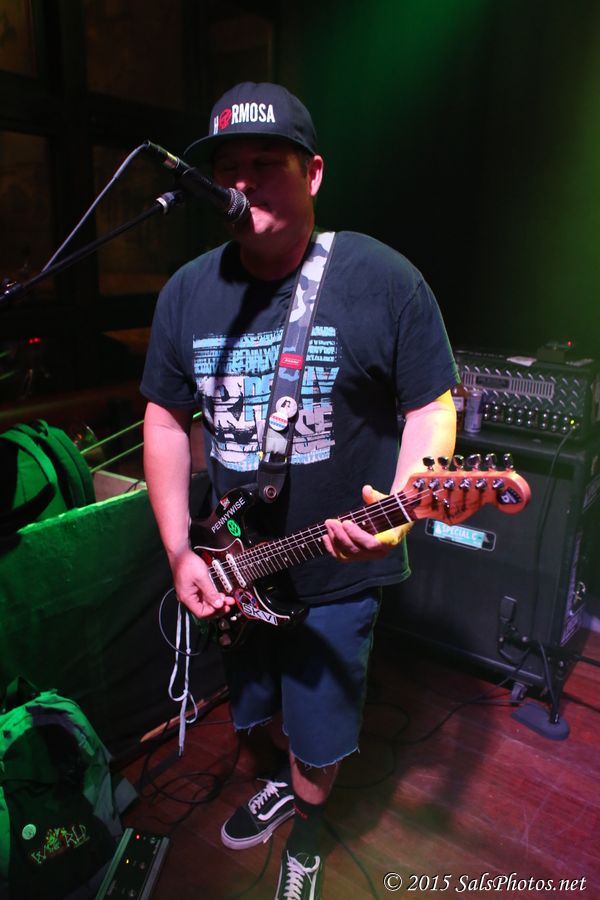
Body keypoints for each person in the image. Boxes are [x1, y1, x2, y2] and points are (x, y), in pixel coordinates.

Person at [141, 81, 458, 900]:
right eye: (227, 168)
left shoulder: (381, 278)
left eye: (266, 163)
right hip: (237, 560)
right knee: (262, 699)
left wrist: (400, 509)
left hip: (337, 567)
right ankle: (285, 781)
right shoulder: (186, 292)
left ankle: (309, 832)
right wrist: (180, 550)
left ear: (313, 173)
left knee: (321, 723)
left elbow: (432, 406)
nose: (242, 182)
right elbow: (167, 421)